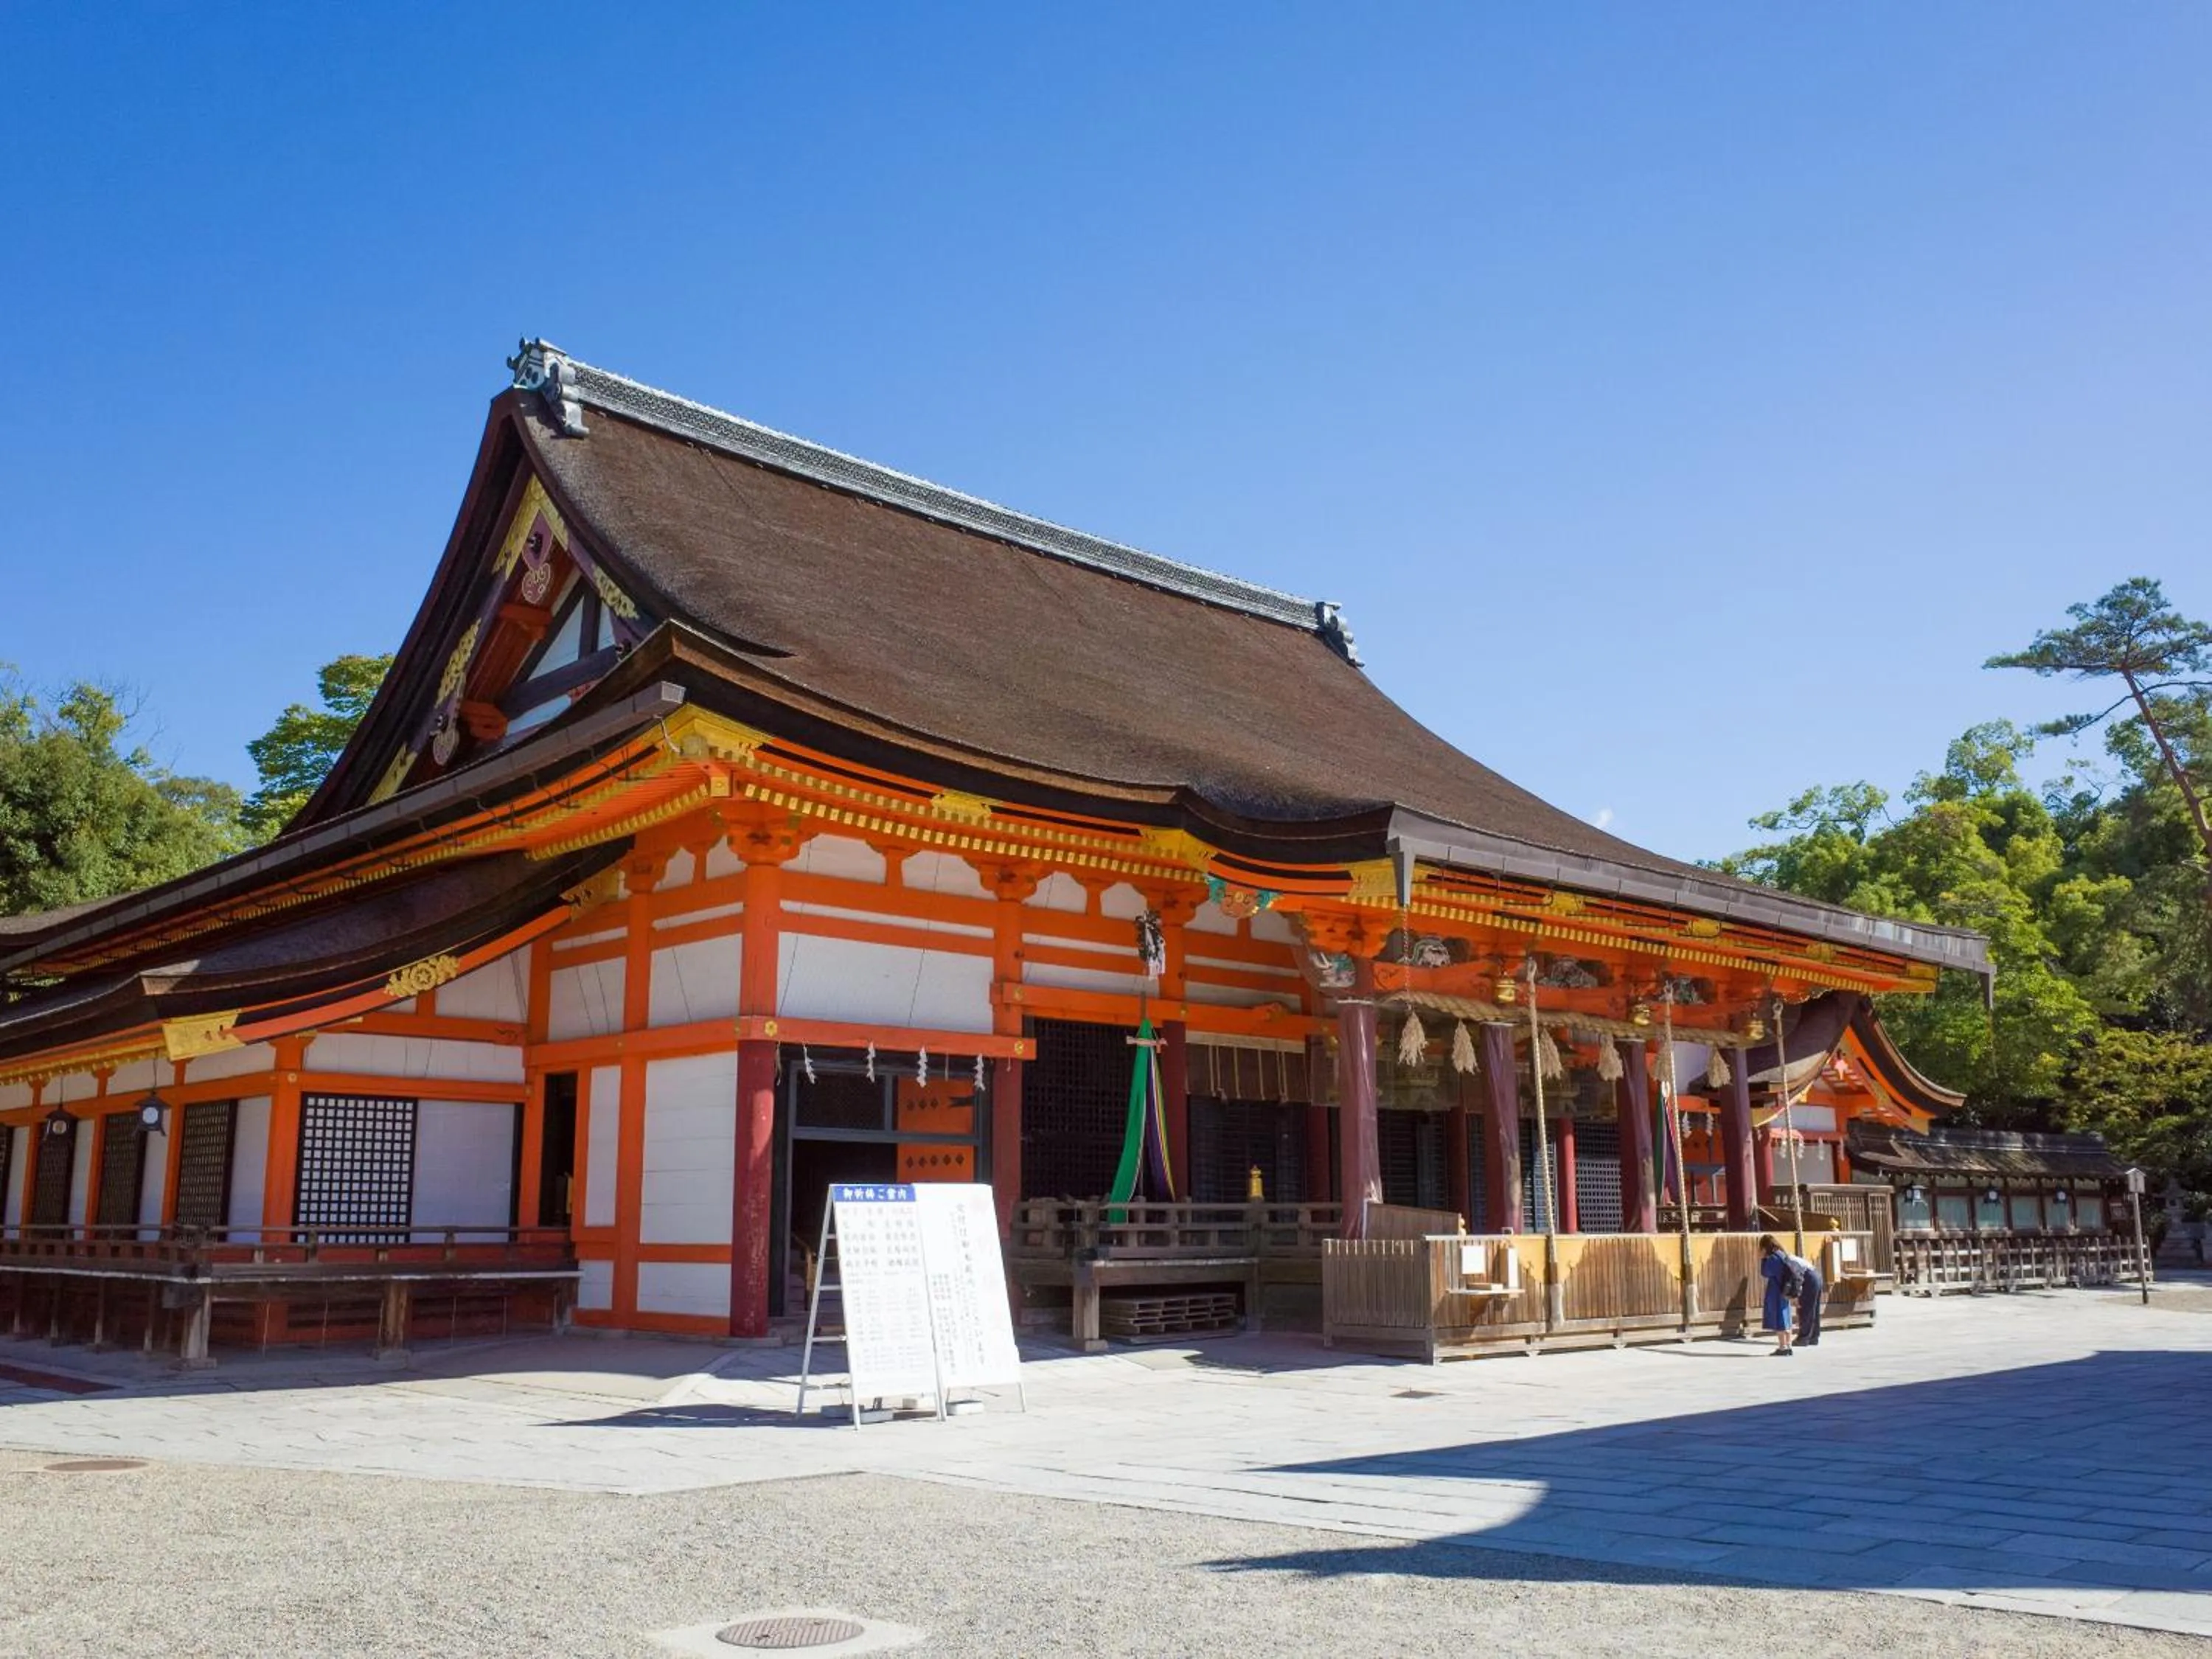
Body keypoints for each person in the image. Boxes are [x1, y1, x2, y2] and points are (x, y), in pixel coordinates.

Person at [1758, 1234, 1803, 1357]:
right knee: (1786, 1315)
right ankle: (1788, 1345)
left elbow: (1765, 1272)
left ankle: (1782, 1346)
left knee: (1779, 1317)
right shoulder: (1782, 1255)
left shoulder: (1773, 1258)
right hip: (1786, 1290)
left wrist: (1763, 1258)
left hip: (1777, 1290)